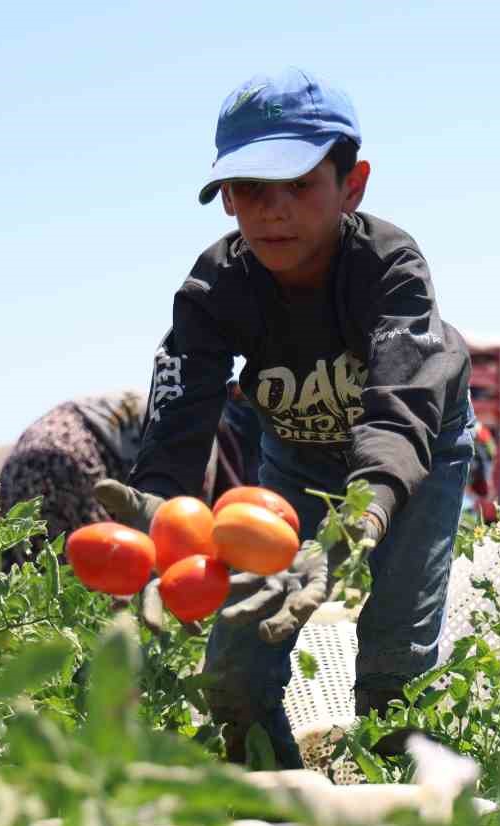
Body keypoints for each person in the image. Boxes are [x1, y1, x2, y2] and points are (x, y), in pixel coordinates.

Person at [94, 69, 474, 768]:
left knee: (394, 673)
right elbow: (179, 425)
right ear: (226, 199)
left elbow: (401, 413)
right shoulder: (215, 289)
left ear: (351, 185)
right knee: (236, 674)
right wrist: (154, 513)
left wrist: (360, 517)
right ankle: (281, 821)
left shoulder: (389, 268)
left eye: (299, 186)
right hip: (293, 463)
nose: (274, 212)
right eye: (250, 192)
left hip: (412, 463)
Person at [0, 386, 259, 570]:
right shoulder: (203, 434)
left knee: (30, 579)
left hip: (21, 464)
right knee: (99, 584)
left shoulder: (181, 403)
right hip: (70, 459)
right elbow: (181, 521)